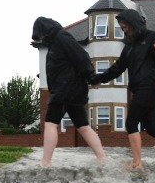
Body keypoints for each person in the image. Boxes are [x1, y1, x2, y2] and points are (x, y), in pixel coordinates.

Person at [91, 9, 155, 171]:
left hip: (149, 87)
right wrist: (98, 79)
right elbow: (118, 68)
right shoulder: (129, 46)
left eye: (125, 25)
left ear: (133, 22)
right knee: (152, 128)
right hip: (139, 90)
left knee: (131, 123)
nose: (123, 28)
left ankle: (137, 164)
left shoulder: (151, 36)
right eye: (121, 26)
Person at [31, 17, 108, 168]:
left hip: (64, 90)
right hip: (71, 90)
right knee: (83, 126)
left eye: (41, 36)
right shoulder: (56, 42)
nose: (42, 39)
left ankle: (45, 163)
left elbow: (81, 56)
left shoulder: (62, 38)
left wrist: (92, 78)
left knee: (51, 124)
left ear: (44, 30)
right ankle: (102, 159)